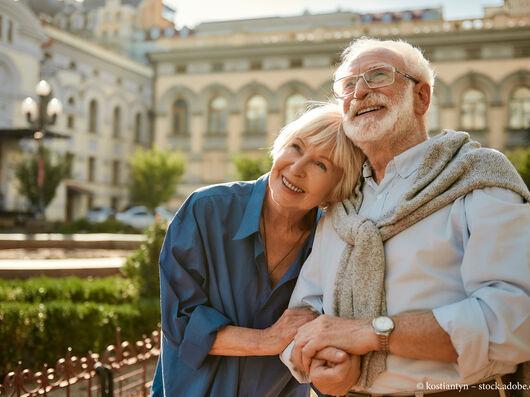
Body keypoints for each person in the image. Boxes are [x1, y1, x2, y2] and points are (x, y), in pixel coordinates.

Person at [281, 37, 530, 396]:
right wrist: (321, 363)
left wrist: (369, 334)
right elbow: (304, 310)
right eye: (348, 85)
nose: (359, 92)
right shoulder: (340, 203)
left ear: (422, 97)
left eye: (378, 76)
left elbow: (514, 321)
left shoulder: (478, 175)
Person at [150, 103, 364, 397]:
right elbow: (181, 323)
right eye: (296, 147)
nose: (297, 168)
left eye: (321, 164)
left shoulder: (333, 243)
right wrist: (268, 340)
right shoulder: (205, 211)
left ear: (336, 188)